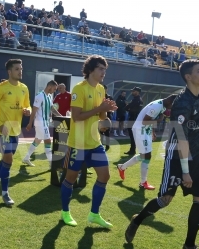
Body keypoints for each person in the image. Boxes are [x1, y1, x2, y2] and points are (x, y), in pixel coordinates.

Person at [125, 59, 199, 249]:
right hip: (177, 156)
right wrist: (185, 171)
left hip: (197, 155)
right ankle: (137, 220)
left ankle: (190, 246)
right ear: (188, 77)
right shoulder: (181, 104)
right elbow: (181, 138)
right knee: (165, 200)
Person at [59, 55, 116, 227]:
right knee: (70, 179)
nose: (103, 72)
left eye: (105, 69)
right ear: (90, 70)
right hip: (78, 144)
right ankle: (65, 212)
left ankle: (94, 214)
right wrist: (100, 108)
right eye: (100, 69)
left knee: (104, 176)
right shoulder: (79, 88)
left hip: (95, 143)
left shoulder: (100, 89)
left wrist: (106, 117)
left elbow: (101, 117)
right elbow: (76, 117)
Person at [0, 59, 32, 206]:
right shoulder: (0, 88)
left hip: (16, 130)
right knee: (9, 160)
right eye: (17, 69)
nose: (20, 71)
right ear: (9, 72)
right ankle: (5, 193)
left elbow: (28, 105)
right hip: (3, 131)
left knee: (6, 161)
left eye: (21, 68)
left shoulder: (24, 88)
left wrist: (28, 111)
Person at [117, 95, 177, 190]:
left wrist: (152, 131)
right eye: (173, 106)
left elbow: (151, 119)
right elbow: (145, 121)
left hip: (145, 130)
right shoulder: (157, 106)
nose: (172, 108)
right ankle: (143, 182)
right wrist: (159, 120)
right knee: (146, 155)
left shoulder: (162, 104)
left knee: (144, 155)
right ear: (170, 102)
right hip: (140, 130)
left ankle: (122, 167)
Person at [23, 80, 58, 169]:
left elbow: (52, 109)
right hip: (40, 122)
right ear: (49, 86)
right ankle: (51, 164)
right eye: (54, 89)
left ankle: (26, 158)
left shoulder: (49, 96)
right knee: (47, 141)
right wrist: (30, 123)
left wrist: (62, 117)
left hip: (45, 123)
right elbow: (34, 110)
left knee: (37, 140)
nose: (54, 91)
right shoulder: (40, 96)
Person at [125, 87, 143, 155]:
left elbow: (128, 107)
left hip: (133, 119)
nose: (132, 92)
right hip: (135, 119)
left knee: (132, 135)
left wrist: (127, 108)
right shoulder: (140, 99)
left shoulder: (136, 100)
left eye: (134, 91)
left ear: (138, 92)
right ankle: (132, 150)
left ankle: (132, 150)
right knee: (134, 135)